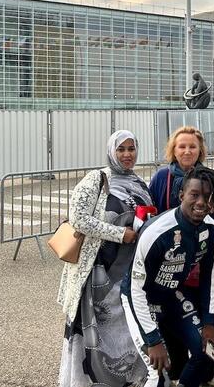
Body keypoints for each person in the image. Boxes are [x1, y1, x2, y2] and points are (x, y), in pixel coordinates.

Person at [57, 130, 156, 386]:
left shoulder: (138, 183)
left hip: (128, 271)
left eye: (131, 149)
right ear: (112, 151)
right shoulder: (97, 179)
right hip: (97, 271)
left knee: (123, 329)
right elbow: (79, 218)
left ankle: (125, 379)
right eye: (121, 149)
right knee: (94, 328)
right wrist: (119, 233)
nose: (127, 155)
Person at [121, 166, 214, 387]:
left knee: (207, 353)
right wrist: (153, 340)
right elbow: (135, 289)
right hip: (141, 298)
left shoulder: (211, 230)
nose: (200, 202)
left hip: (172, 294)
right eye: (194, 195)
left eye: (207, 197)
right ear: (181, 196)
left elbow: (210, 278)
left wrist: (208, 322)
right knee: (156, 373)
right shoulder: (155, 232)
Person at [148, 126, 214, 386]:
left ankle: (205, 368)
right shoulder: (163, 176)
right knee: (173, 321)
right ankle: (180, 371)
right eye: (181, 146)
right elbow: (153, 211)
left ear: (200, 150)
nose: (187, 151)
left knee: (207, 314)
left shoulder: (209, 177)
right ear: (174, 149)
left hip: (201, 256)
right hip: (170, 260)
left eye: (192, 146)